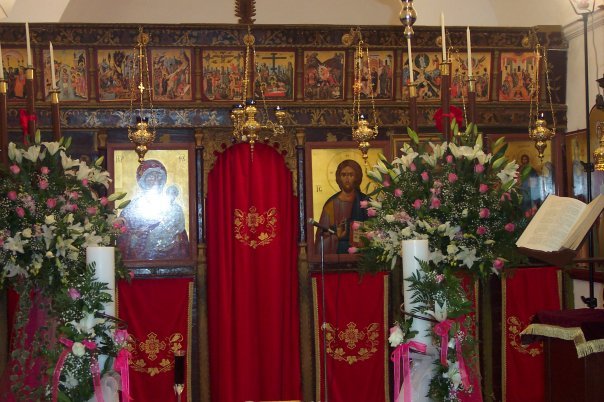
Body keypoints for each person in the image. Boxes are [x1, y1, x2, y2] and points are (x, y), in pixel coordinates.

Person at [118, 159, 190, 260]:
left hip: (169, 260)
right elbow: (123, 236)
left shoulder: (174, 208)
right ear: (143, 180)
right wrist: (137, 235)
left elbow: (181, 240)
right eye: (151, 177)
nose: (156, 180)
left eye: (159, 176)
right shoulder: (131, 208)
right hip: (139, 260)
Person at [314, 159, 369, 254]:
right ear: (339, 178)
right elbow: (321, 241)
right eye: (343, 175)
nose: (347, 179)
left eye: (351, 175)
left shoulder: (366, 201)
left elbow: (377, 231)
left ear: (357, 177)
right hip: (338, 257)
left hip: (362, 258)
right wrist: (336, 236)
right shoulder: (331, 205)